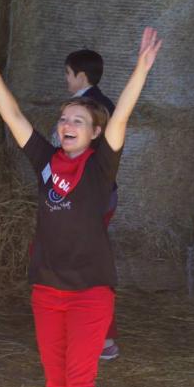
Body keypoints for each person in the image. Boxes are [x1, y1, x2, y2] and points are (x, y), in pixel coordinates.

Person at [0, 24, 162, 387]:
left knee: (78, 383)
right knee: (55, 384)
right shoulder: (45, 160)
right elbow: (13, 114)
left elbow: (122, 114)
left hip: (90, 292)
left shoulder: (102, 164)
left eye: (77, 120)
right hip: (47, 289)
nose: (66, 124)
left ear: (96, 132)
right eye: (64, 118)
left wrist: (141, 69)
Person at [62, 49, 121, 361]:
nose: (65, 80)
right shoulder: (103, 104)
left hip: (89, 198)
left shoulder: (92, 107)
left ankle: (104, 338)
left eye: (67, 74)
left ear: (80, 76)